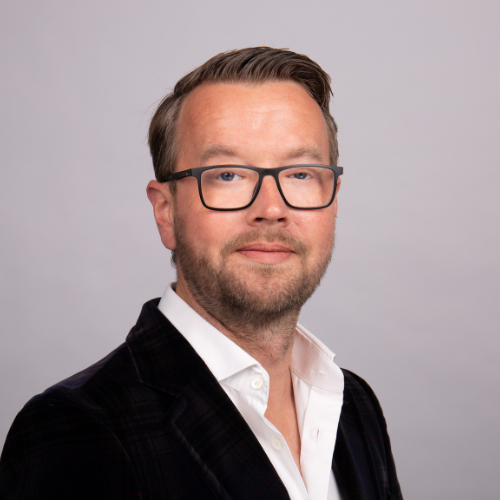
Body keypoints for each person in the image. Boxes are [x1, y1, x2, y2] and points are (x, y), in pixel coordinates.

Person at [0, 47, 403, 500]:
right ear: (166, 212)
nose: (272, 209)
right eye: (227, 175)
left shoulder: (355, 406)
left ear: (334, 199)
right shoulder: (79, 429)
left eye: (301, 175)